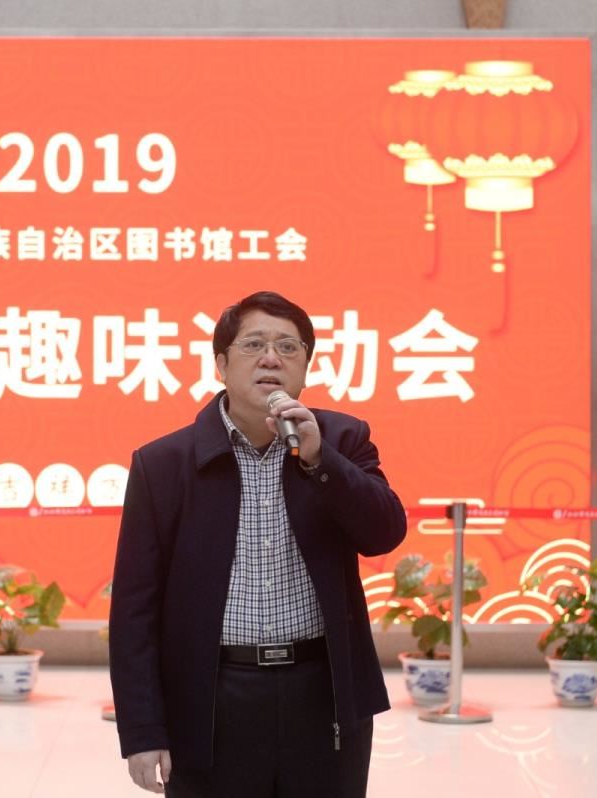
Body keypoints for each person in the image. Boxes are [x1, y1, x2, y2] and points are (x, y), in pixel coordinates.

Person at [108, 291, 407, 796]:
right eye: (254, 345)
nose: (272, 358)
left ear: (306, 367)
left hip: (324, 695)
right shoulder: (162, 464)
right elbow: (135, 609)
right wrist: (142, 730)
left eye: (289, 347)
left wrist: (321, 461)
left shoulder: (341, 439)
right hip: (211, 699)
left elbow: (384, 533)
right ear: (221, 364)